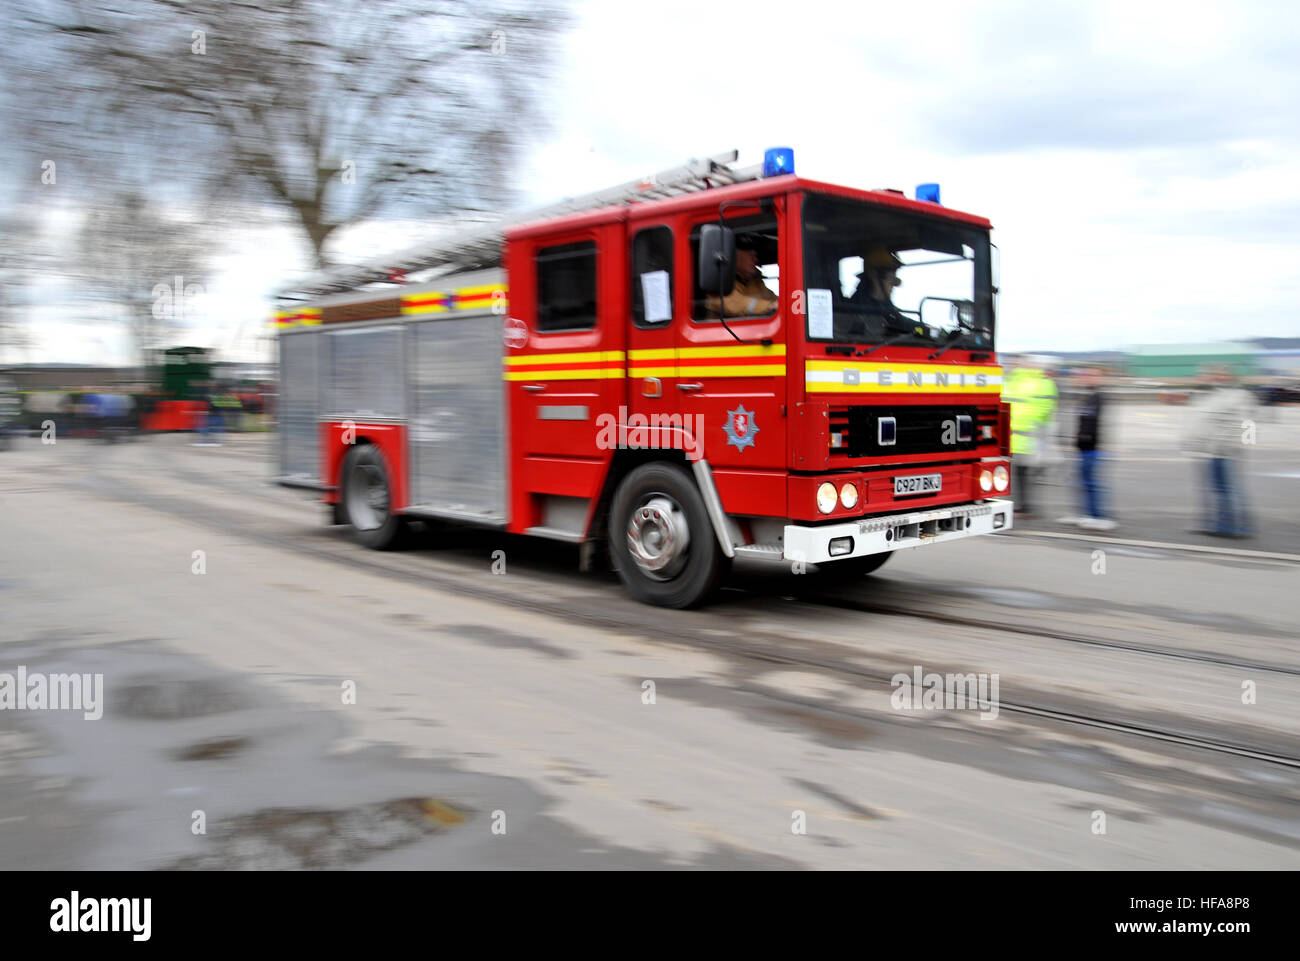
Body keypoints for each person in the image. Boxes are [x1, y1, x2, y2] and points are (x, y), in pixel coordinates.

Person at [1182, 365, 1255, 537]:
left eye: (1222, 375)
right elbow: (1202, 422)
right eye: (1215, 375)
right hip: (1209, 450)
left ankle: (1239, 527)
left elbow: (1248, 422)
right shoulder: (1211, 395)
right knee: (1218, 490)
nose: (1217, 378)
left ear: (1230, 377)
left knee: (1230, 490)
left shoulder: (1239, 396)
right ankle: (1218, 524)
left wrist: (1240, 445)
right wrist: (1192, 443)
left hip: (1226, 451)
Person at [1059, 367, 1115, 530]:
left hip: (1092, 448)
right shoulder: (1088, 396)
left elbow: (1093, 423)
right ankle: (1084, 514)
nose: (1087, 378)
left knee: (1091, 483)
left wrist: (1086, 439)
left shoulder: (1098, 397)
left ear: (1101, 379)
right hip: (1083, 448)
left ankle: (1098, 516)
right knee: (1081, 482)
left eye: (1093, 376)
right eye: (1086, 375)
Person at [1004, 356, 1058, 518]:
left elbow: (1042, 409)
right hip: (1020, 437)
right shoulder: (1016, 381)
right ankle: (1024, 506)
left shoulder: (1034, 382)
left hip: (1026, 437)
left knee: (1023, 474)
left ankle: (1026, 507)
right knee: (1021, 474)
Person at [706, 234, 777, 318]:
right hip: (723, 330)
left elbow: (773, 299)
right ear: (735, 256)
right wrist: (769, 306)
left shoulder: (755, 282)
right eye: (751, 255)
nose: (756, 260)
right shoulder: (718, 281)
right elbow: (732, 303)